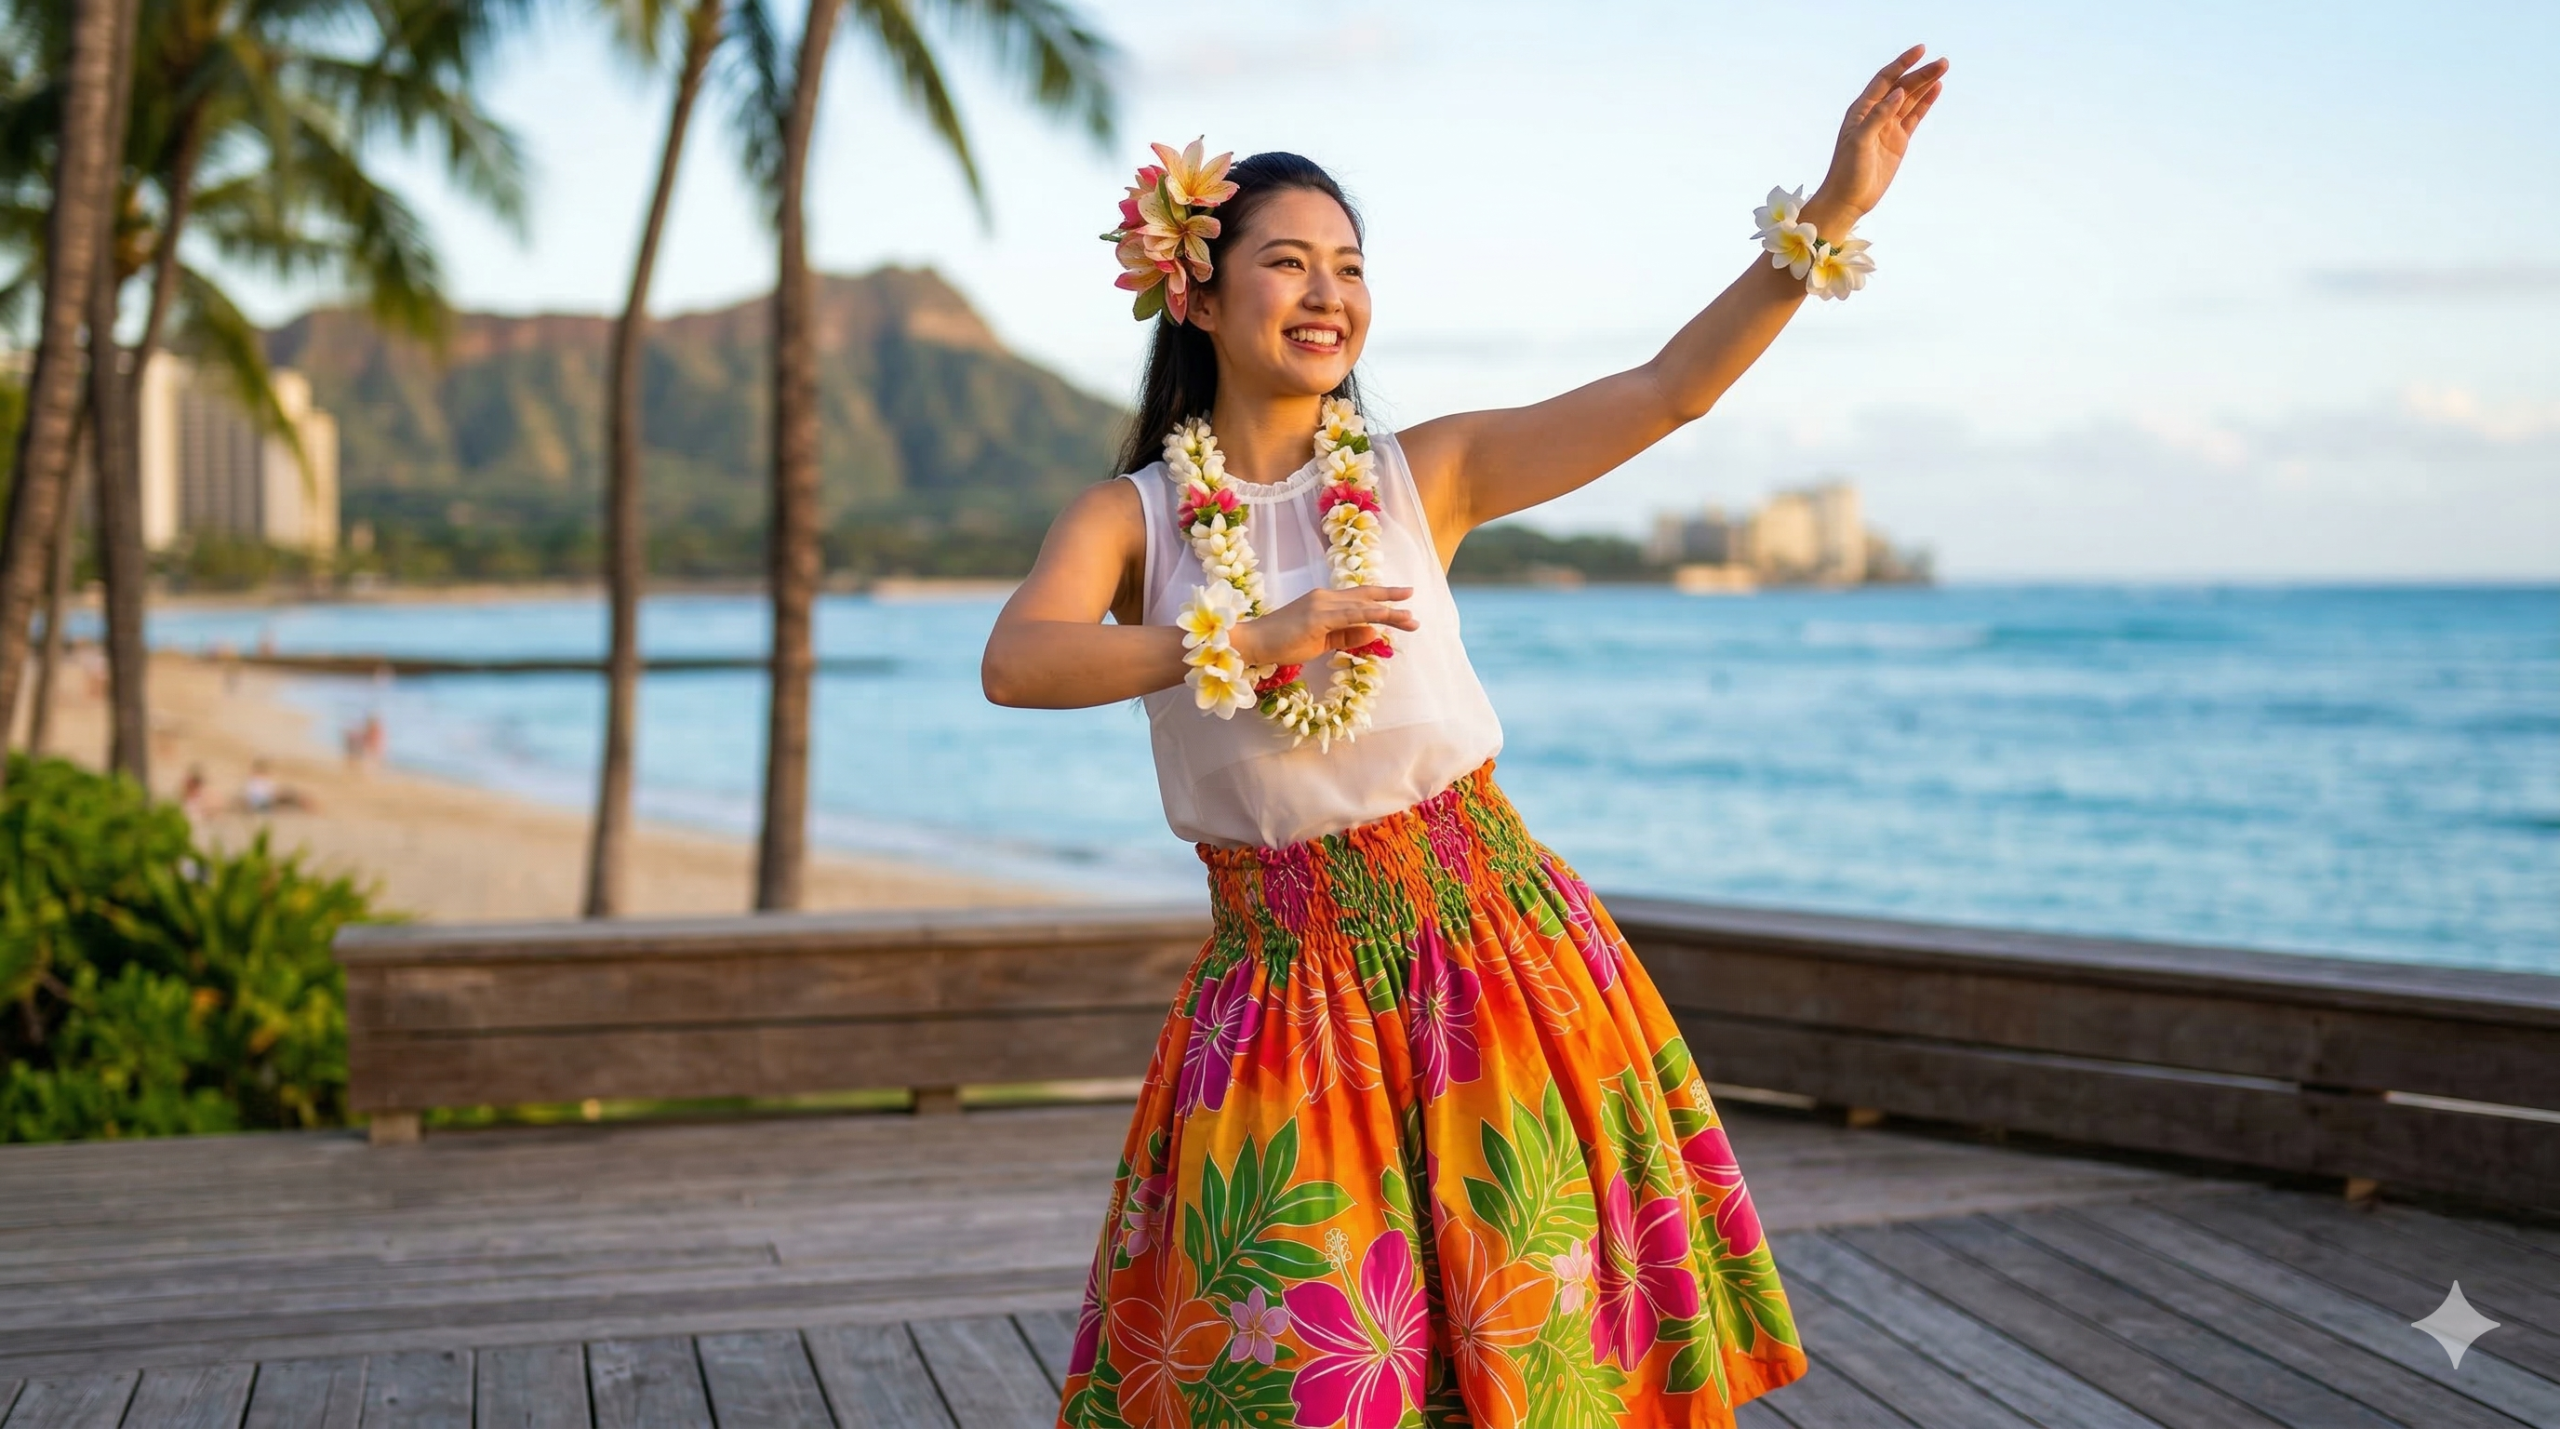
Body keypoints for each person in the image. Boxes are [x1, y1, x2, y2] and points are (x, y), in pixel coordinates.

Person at [983, 46, 1946, 1429]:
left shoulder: (1422, 474)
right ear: (1193, 285)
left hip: (1493, 962)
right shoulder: (1126, 520)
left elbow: (1672, 387)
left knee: (1542, 1369)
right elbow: (1019, 662)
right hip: (1280, 995)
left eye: (1351, 266)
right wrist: (1246, 642)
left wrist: (1835, 215)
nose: (1329, 294)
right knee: (1299, 1378)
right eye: (1290, 261)